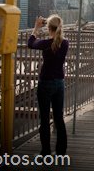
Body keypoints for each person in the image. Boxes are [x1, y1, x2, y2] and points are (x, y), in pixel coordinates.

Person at [28, 14, 69, 156]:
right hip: (59, 83)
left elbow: (31, 43)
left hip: (45, 83)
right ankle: (61, 152)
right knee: (59, 118)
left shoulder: (45, 44)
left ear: (48, 28)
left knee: (45, 119)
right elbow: (57, 40)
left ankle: (45, 151)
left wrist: (36, 28)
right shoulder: (65, 43)